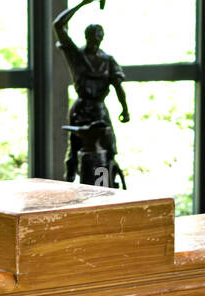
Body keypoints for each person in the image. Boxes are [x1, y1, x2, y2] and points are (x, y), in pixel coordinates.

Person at [55, 0, 130, 185]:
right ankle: (70, 188)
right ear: (87, 37)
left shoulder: (107, 60)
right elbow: (58, 25)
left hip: (99, 109)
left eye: (99, 36)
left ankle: (105, 187)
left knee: (109, 149)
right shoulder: (77, 56)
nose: (96, 39)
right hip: (81, 110)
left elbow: (118, 86)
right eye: (93, 36)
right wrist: (82, 4)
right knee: (74, 151)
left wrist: (125, 109)